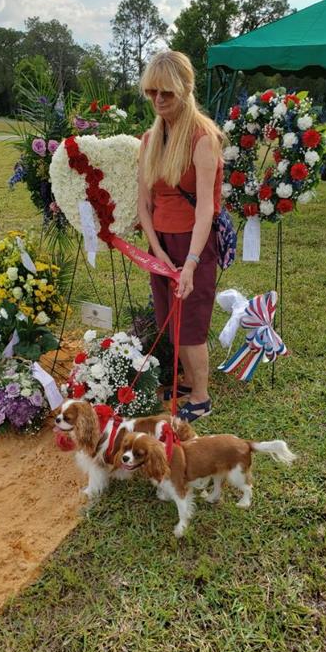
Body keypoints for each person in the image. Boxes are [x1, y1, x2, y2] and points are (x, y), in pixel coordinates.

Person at [137, 50, 223, 423]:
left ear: (186, 89)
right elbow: (144, 204)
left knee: (191, 322)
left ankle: (201, 397)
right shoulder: (149, 140)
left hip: (194, 243)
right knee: (171, 320)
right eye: (152, 92)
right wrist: (157, 251)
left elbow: (205, 208)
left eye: (166, 93)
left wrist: (189, 263)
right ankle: (187, 380)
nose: (158, 100)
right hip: (162, 243)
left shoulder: (203, 139)